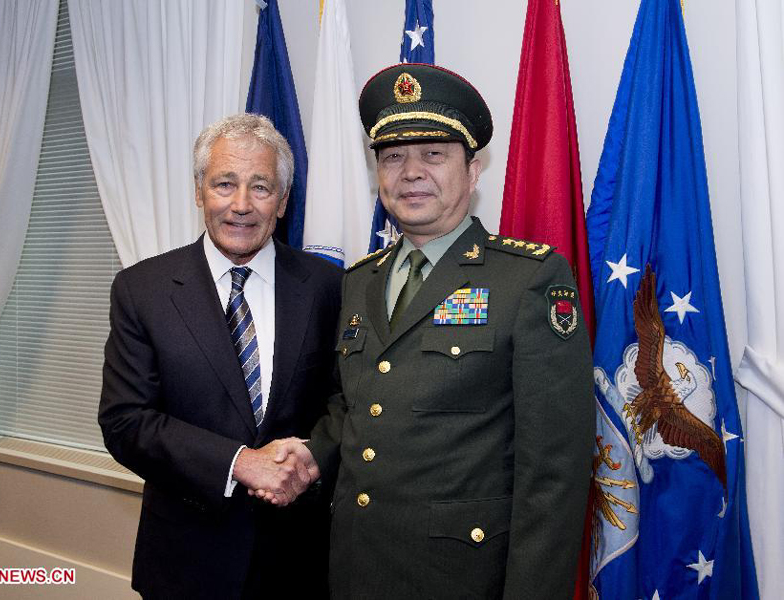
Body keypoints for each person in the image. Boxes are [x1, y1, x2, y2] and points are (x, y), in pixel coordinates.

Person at [256, 64, 595, 599]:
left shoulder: (528, 278)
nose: (411, 172)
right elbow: (356, 405)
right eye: (392, 157)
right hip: (355, 566)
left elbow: (554, 473)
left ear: (474, 169)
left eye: (433, 154)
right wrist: (309, 456)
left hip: (462, 578)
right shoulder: (359, 282)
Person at [99, 113, 342, 599]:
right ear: (198, 191)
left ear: (284, 200)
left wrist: (312, 457)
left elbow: (346, 400)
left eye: (261, 187)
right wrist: (238, 462)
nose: (241, 205)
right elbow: (126, 421)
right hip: (186, 564)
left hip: (299, 564)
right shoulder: (142, 290)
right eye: (224, 183)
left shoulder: (329, 286)